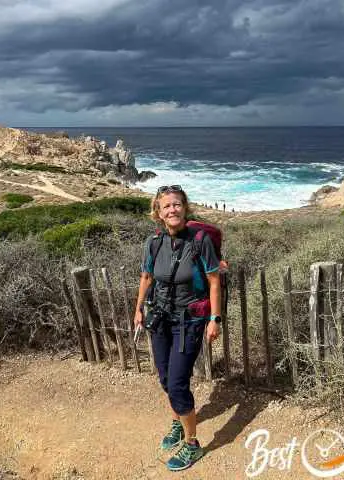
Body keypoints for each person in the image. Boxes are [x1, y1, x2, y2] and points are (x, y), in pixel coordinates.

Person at [134, 185, 222, 472]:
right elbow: (147, 277)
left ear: (185, 207)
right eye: (166, 206)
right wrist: (138, 308)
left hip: (190, 322)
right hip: (161, 318)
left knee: (177, 383)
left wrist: (214, 319)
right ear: (158, 213)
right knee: (164, 377)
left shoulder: (199, 242)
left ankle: (192, 444)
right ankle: (177, 422)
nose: (172, 210)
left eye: (177, 204)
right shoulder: (153, 243)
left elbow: (213, 281)